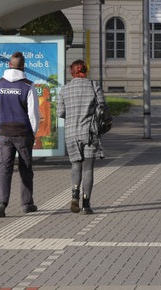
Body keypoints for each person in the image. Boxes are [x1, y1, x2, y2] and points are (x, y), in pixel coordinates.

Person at [0, 51, 40, 218]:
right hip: (23, 133)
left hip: (4, 133)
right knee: (25, 168)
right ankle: (27, 203)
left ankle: (1, 203)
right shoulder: (28, 86)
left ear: (9, 65)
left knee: (4, 169)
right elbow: (33, 114)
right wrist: (33, 131)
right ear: (23, 66)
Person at [58, 59, 105, 215]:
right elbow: (102, 107)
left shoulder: (64, 89)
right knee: (88, 169)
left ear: (72, 72)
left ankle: (74, 195)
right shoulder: (94, 85)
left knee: (76, 165)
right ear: (86, 70)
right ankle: (86, 204)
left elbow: (60, 113)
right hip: (90, 133)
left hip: (71, 133)